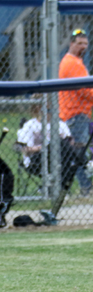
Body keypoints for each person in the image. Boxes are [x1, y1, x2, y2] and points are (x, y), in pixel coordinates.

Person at [58, 28, 93, 195]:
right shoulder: (72, 62)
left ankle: (85, 186)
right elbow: (85, 91)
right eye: (79, 43)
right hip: (75, 114)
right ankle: (86, 187)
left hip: (75, 114)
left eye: (85, 43)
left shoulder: (75, 61)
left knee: (78, 152)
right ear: (71, 44)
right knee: (79, 153)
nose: (83, 46)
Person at [16, 104, 80, 188]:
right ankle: (85, 164)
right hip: (36, 160)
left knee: (63, 144)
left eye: (52, 110)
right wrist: (46, 147)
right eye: (47, 110)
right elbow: (25, 150)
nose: (51, 113)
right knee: (59, 143)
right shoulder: (29, 125)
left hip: (61, 158)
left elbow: (70, 144)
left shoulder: (60, 124)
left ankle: (57, 188)